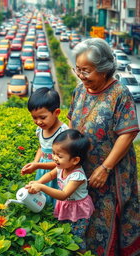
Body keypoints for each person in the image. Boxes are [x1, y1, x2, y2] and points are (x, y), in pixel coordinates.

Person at [68, 38, 140, 255]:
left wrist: (105, 168)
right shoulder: (80, 91)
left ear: (104, 69)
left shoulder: (120, 94)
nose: (81, 76)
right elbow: (72, 122)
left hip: (110, 173)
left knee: (106, 219)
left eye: (86, 71)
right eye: (78, 69)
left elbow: (127, 134)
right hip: (83, 171)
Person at [26, 129, 94, 253]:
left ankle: (81, 253)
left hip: (78, 210)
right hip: (67, 205)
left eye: (60, 156)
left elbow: (63, 195)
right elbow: (51, 175)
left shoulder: (77, 176)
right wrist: (38, 182)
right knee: (64, 232)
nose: (55, 158)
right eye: (54, 153)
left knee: (77, 238)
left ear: (75, 160)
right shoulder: (62, 166)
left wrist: (42, 187)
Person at [21, 88, 68, 205]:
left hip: (56, 172)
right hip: (42, 170)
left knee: (53, 199)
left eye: (42, 117)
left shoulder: (63, 133)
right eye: (34, 118)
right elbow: (41, 148)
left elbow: (62, 163)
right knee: (41, 197)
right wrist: (34, 162)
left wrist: (37, 165)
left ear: (56, 113)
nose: (38, 122)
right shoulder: (41, 129)